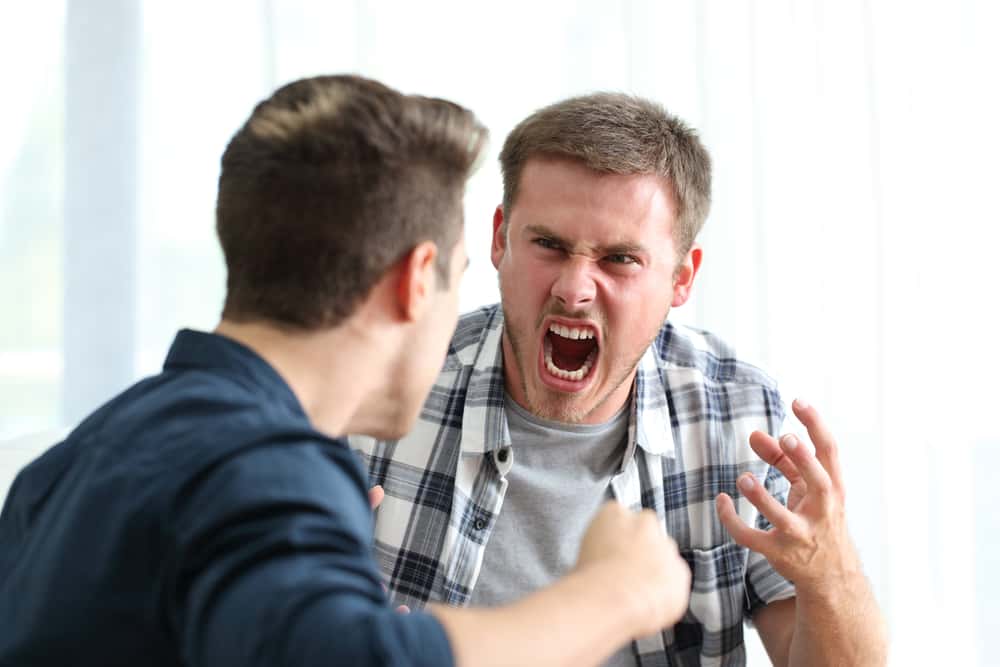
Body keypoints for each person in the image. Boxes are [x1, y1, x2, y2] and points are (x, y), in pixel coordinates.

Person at [0, 76, 694, 667]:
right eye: (458, 275)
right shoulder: (267, 467)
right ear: (415, 281)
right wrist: (613, 594)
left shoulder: (79, 458)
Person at [352, 93, 888, 666]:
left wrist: (830, 572)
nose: (574, 290)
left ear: (681, 278)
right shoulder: (376, 395)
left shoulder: (736, 416)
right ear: (500, 238)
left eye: (619, 260)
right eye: (549, 245)